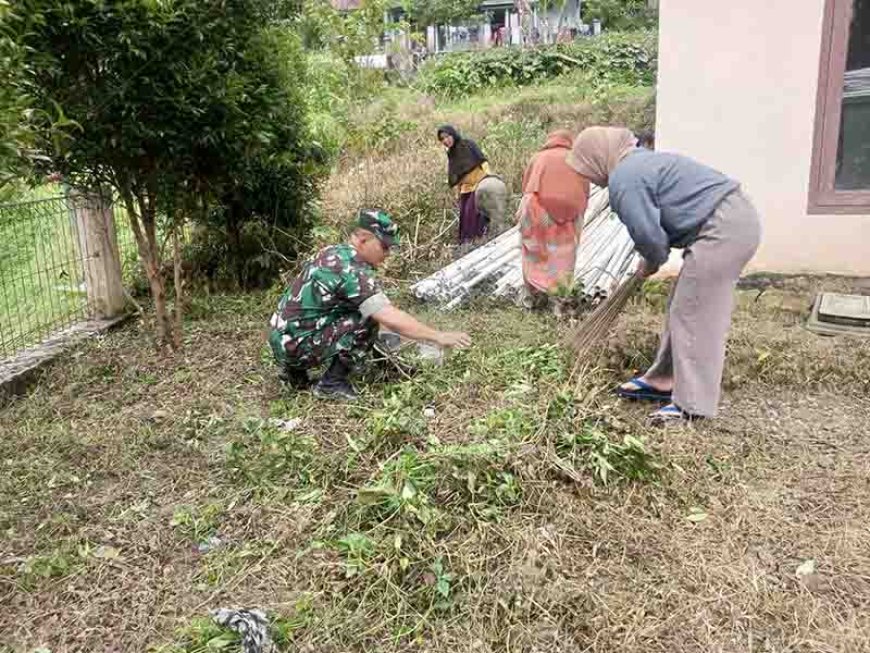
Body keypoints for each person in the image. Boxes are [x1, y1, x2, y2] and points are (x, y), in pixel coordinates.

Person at [567, 127, 761, 422]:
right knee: (683, 305)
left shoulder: (624, 178)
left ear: (597, 157)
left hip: (723, 227)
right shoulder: (636, 164)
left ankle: (692, 406)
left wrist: (651, 260)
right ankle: (664, 380)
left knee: (696, 313)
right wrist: (652, 256)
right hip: (731, 219)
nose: (589, 177)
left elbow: (649, 235)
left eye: (585, 168)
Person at [268, 209, 471, 401]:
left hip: (283, 339)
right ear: (363, 239)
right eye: (384, 246)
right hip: (297, 346)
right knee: (368, 319)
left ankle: (295, 374)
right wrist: (438, 336)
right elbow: (388, 317)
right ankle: (331, 384)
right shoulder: (353, 271)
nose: (388, 253)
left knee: (361, 312)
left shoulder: (332, 252)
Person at [518, 130, 590, 301]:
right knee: (563, 253)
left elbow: (526, 186)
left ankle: (533, 293)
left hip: (538, 210)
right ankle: (559, 296)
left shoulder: (538, 157)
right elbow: (585, 191)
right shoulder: (578, 159)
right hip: (569, 213)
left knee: (533, 251)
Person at [437, 125, 491, 244]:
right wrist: (458, 194)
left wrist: (489, 178)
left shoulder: (468, 144)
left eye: (447, 136)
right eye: (442, 139)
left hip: (479, 183)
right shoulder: (451, 153)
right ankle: (469, 245)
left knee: (474, 213)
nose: (446, 140)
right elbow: (457, 176)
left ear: (453, 134)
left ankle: (480, 240)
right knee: (465, 217)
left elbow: (482, 160)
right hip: (465, 189)